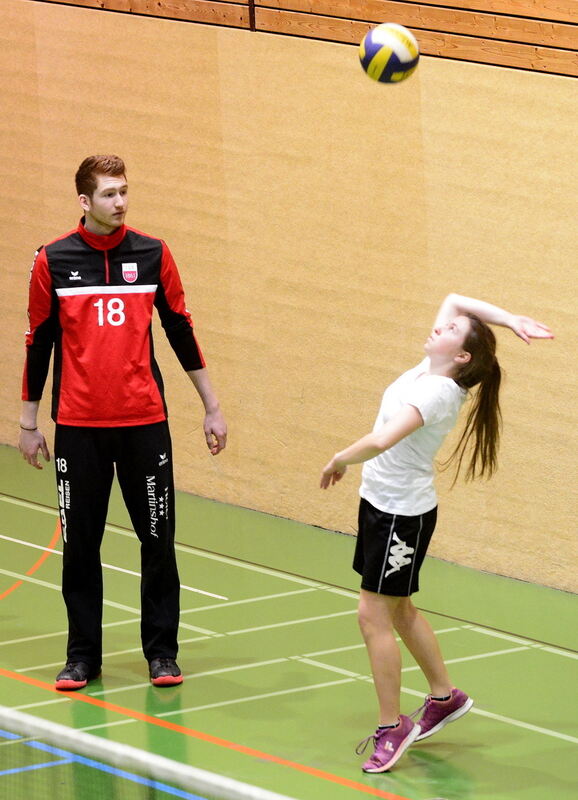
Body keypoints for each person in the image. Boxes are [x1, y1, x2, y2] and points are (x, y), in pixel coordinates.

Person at [18, 155, 227, 691]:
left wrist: (211, 406)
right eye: (109, 194)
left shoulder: (153, 254)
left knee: (158, 541)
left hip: (144, 424)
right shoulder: (53, 260)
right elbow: (39, 341)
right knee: (80, 547)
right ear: (85, 201)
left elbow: (180, 328)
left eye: (124, 192)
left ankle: (162, 654)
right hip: (79, 428)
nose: (120, 203)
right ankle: (82, 658)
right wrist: (28, 421)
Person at [320, 294, 553, 773]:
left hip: (400, 518)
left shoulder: (439, 392)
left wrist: (339, 458)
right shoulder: (431, 368)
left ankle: (391, 727)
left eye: (451, 331)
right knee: (400, 610)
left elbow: (382, 439)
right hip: (380, 505)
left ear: (461, 355)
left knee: (372, 617)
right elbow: (453, 299)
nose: (440, 326)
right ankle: (445, 699)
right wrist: (510, 320)